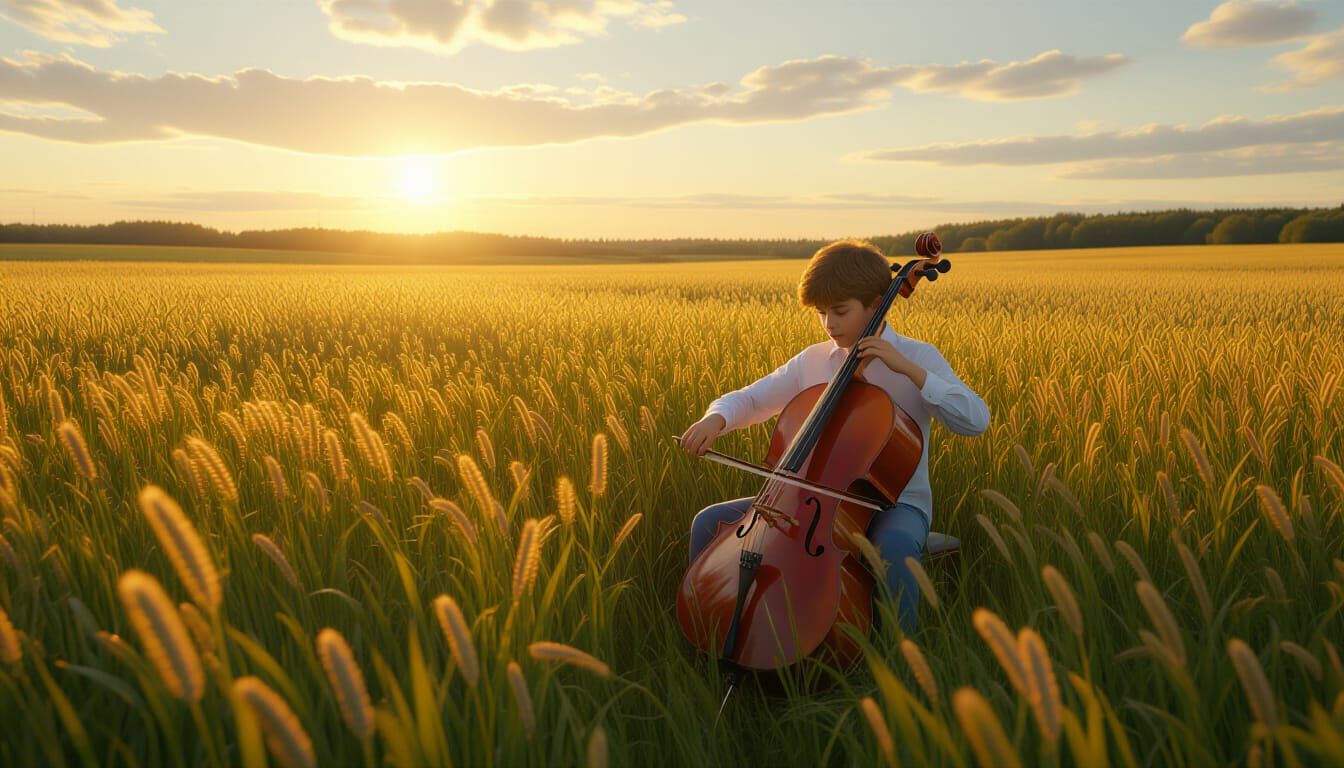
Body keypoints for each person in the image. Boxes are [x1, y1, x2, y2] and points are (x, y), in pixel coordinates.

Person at [679, 239, 989, 636]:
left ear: (876, 304)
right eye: (821, 312)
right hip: (809, 498)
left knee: (894, 545)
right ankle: (713, 628)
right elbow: (752, 398)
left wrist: (910, 372)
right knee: (710, 522)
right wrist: (716, 419)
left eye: (840, 311)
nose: (829, 323)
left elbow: (975, 420)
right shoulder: (813, 360)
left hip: (894, 504)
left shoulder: (918, 358)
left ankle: (901, 653)